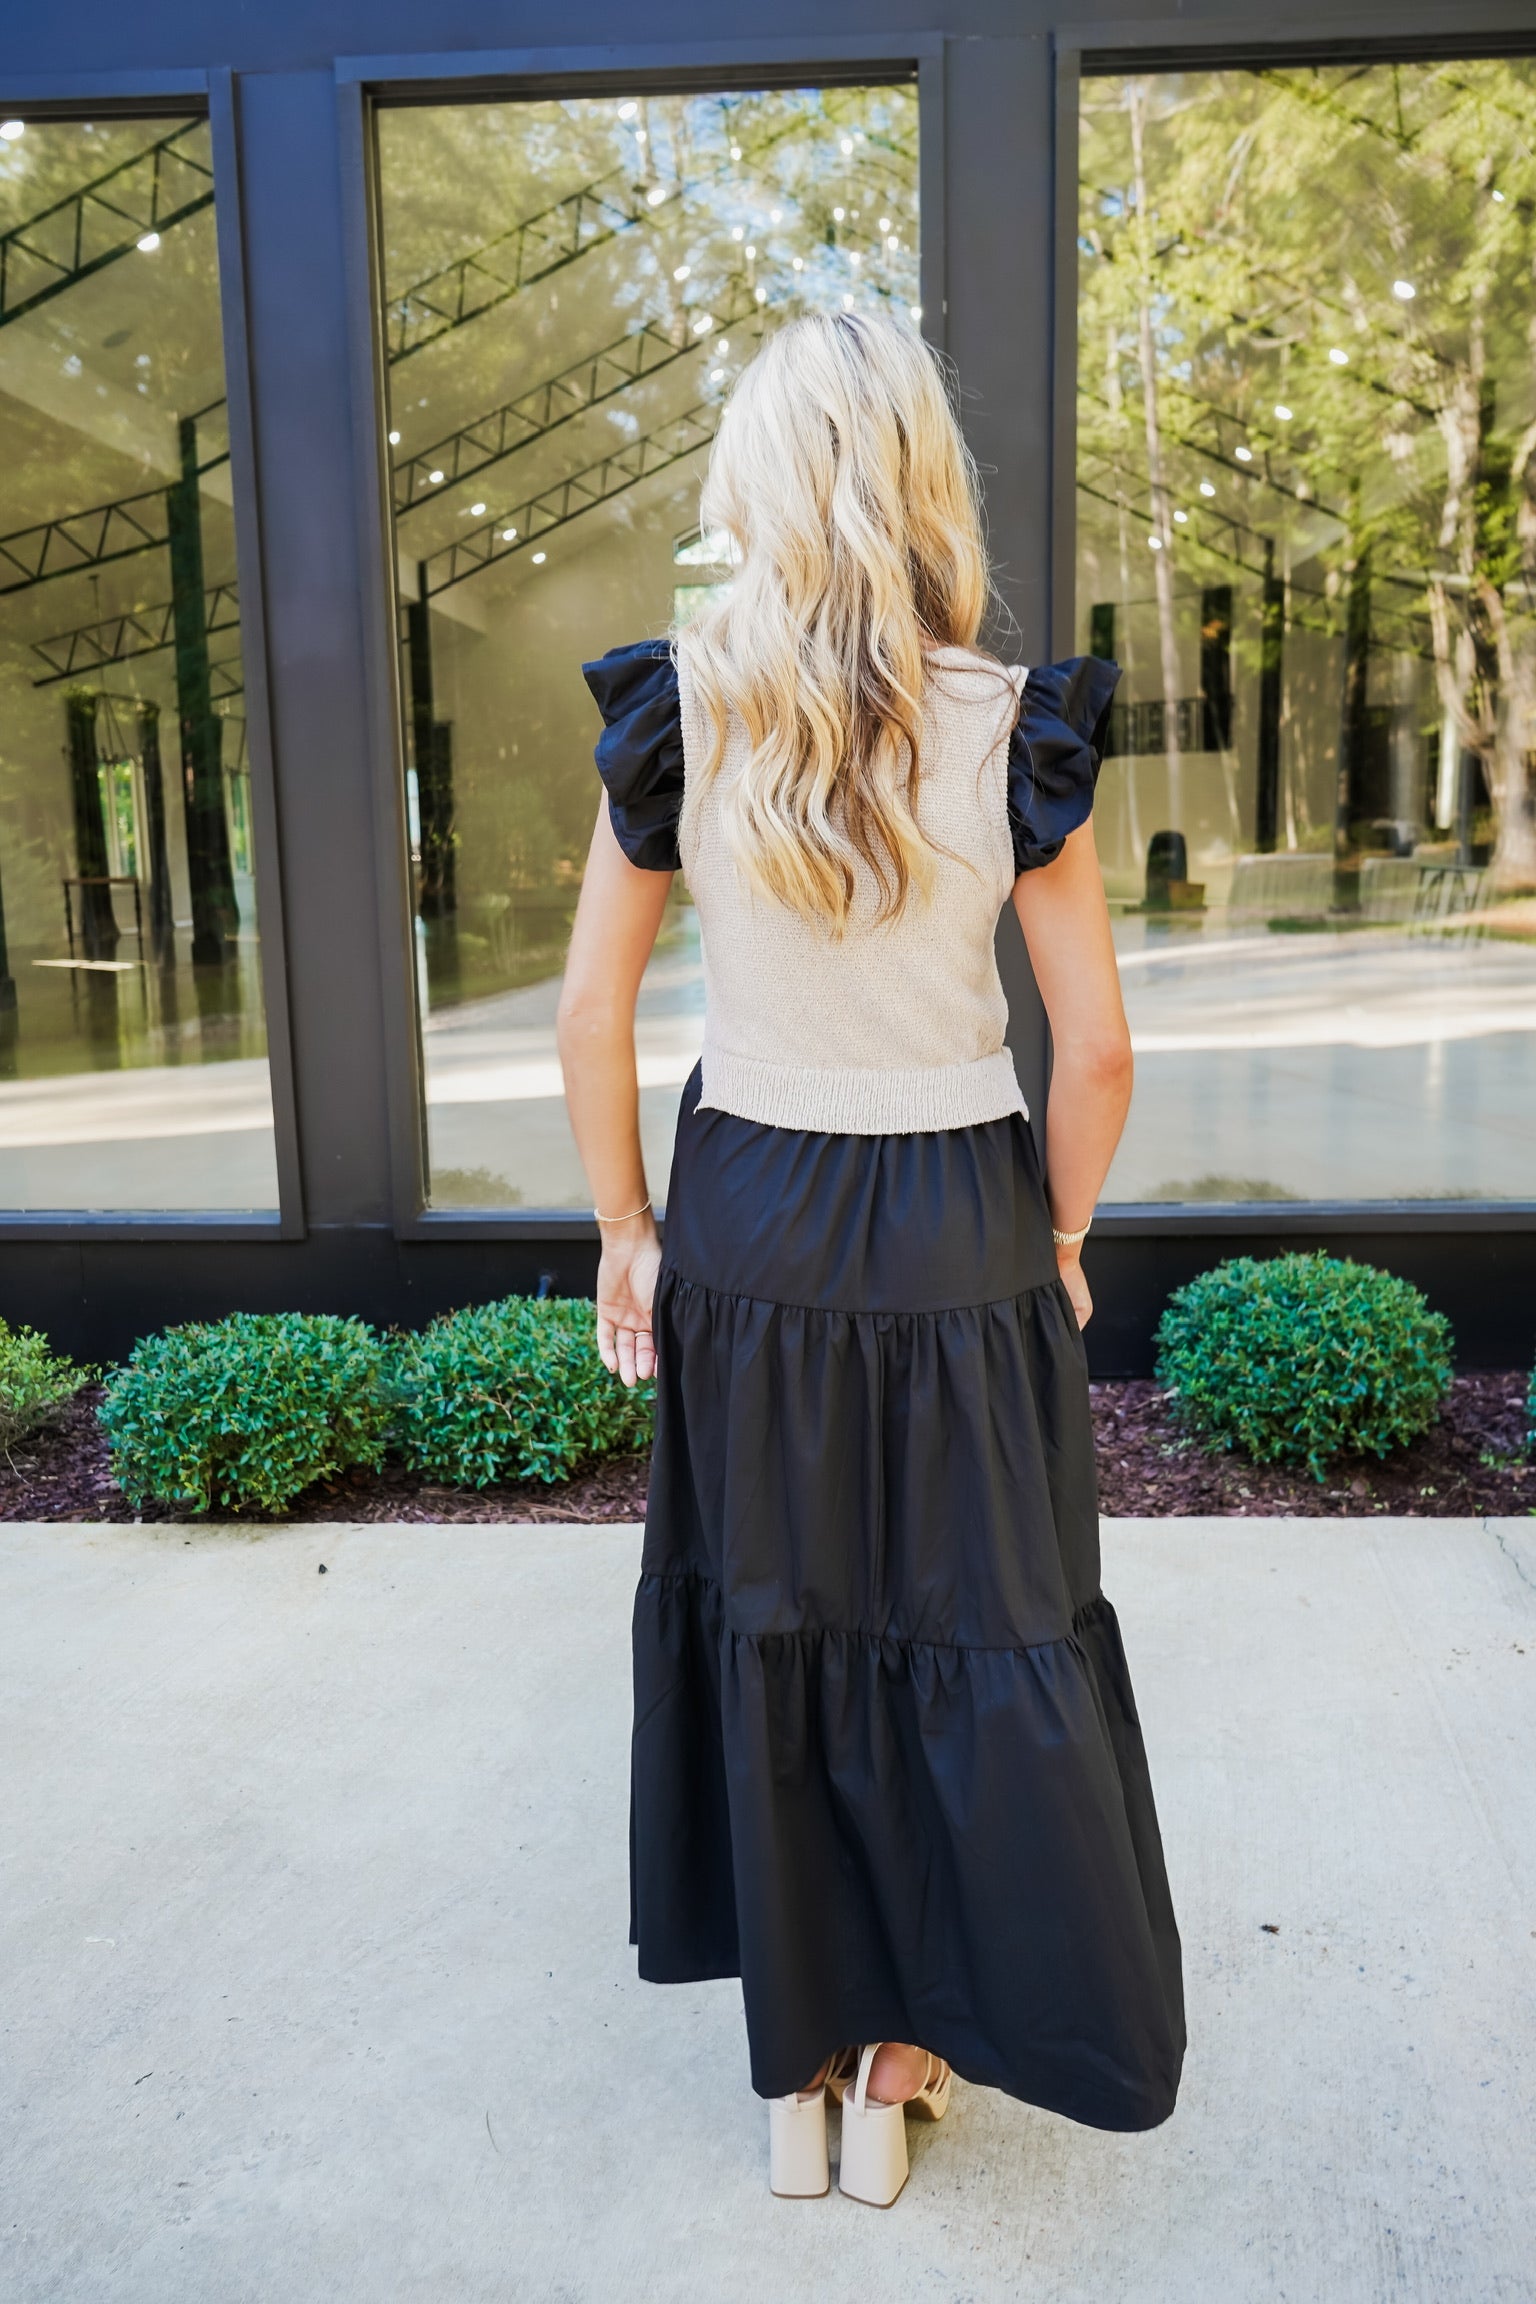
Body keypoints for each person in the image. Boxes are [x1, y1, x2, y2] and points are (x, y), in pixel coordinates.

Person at [557, 311, 1184, 2208]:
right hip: (957, 1225)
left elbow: (590, 1014)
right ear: (924, 482)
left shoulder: (683, 713)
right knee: (967, 1620)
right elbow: (1096, 1050)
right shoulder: (1009, 726)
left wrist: (629, 1231)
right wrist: (1060, 1233)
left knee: (781, 1613)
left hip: (748, 1216)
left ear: (756, 481)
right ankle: (911, 2051)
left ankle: (803, 2070)